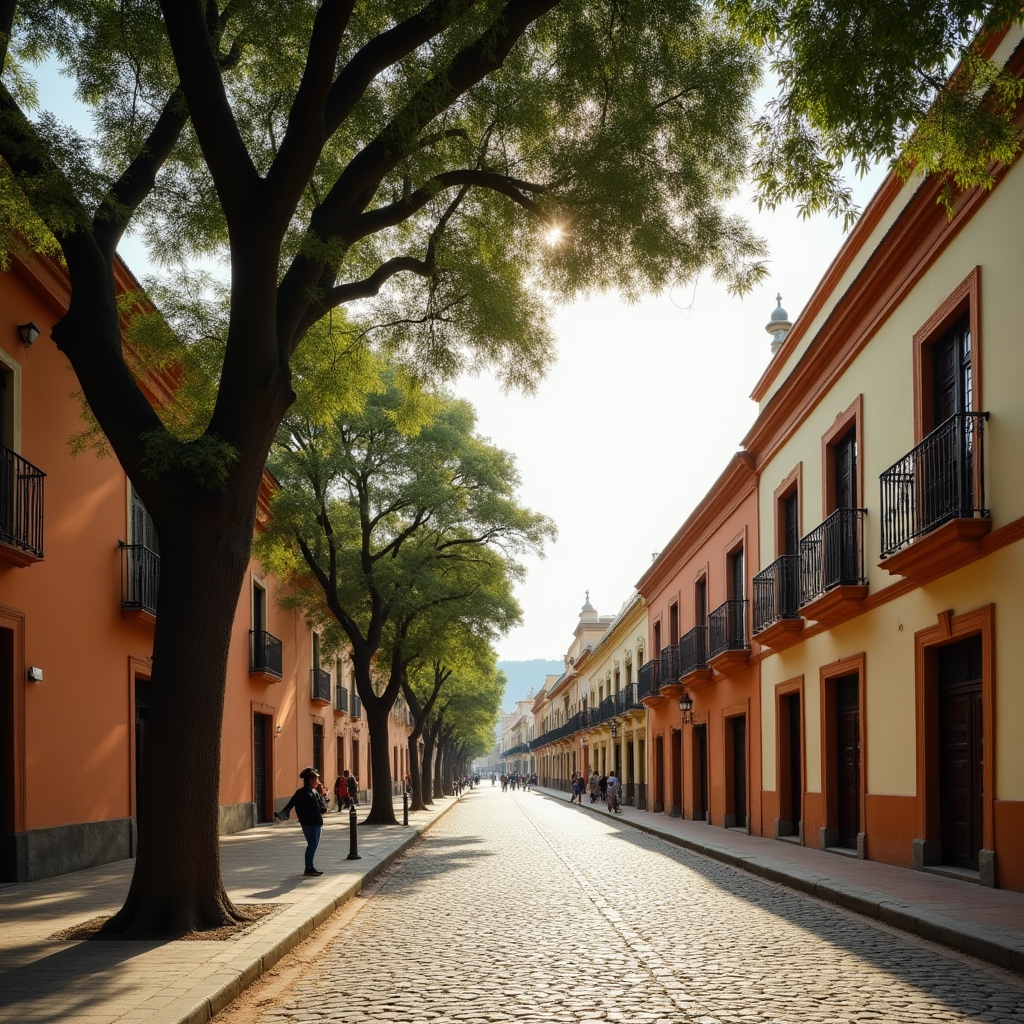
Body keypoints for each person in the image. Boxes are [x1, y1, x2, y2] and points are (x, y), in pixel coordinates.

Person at [276, 767, 327, 876]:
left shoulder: (315, 792)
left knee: (312, 845)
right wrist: (283, 813)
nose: (318, 782)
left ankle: (309, 866)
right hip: (310, 823)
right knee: (312, 845)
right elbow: (290, 805)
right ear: (310, 780)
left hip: (314, 822)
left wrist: (323, 800)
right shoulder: (302, 793)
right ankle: (309, 867)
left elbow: (323, 808)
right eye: (316, 779)